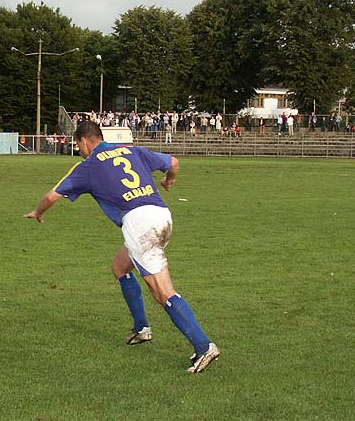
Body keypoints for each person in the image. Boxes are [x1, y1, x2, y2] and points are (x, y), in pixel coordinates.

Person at [24, 121, 220, 373]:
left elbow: (51, 196)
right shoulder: (132, 150)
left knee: (163, 292)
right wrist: (169, 182)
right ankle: (142, 329)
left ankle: (204, 346)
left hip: (139, 224)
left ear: (84, 141)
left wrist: (38, 212)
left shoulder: (88, 166)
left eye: (77, 145)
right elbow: (174, 163)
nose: (78, 149)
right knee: (120, 266)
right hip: (161, 214)